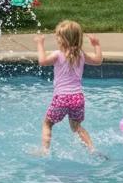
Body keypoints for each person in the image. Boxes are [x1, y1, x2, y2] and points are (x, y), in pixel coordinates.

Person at [36, 19, 102, 153]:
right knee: (76, 127)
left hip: (61, 98)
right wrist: (96, 45)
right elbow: (98, 60)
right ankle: (92, 149)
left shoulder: (58, 54)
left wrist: (40, 44)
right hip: (77, 98)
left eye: (58, 37)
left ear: (63, 40)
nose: (57, 39)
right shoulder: (81, 55)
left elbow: (42, 61)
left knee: (47, 124)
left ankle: (44, 150)